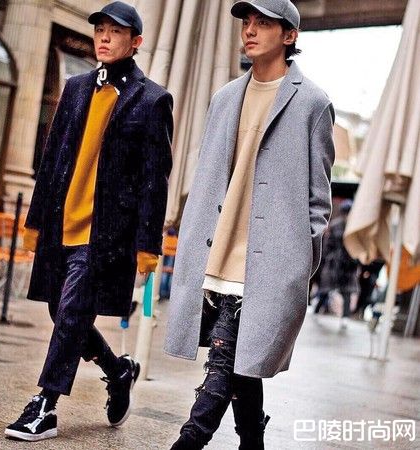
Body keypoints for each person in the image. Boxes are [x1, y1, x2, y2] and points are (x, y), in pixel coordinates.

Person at [165, 1, 335, 448]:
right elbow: (208, 174)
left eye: (263, 23)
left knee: (224, 358)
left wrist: (299, 259)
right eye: (247, 22)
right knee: (241, 361)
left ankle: (189, 440)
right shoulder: (224, 97)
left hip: (270, 263)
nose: (250, 30)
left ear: (290, 35)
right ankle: (252, 440)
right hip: (216, 251)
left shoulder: (313, 104)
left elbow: (319, 199)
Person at [5, 1, 173, 442]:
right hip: (62, 223)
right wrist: (35, 220)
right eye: (100, 30)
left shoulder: (152, 100)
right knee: (60, 311)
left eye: (115, 32)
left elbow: (155, 180)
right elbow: (51, 158)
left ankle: (45, 405)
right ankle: (118, 371)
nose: (104, 37)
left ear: (135, 42)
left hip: (106, 235)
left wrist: (148, 244)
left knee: (72, 312)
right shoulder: (77, 87)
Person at [314, 199, 359, 328]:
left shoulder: (354, 226)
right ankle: (317, 310)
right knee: (325, 289)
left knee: (347, 292)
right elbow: (328, 245)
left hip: (349, 264)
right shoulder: (335, 225)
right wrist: (327, 258)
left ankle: (345, 317)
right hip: (334, 263)